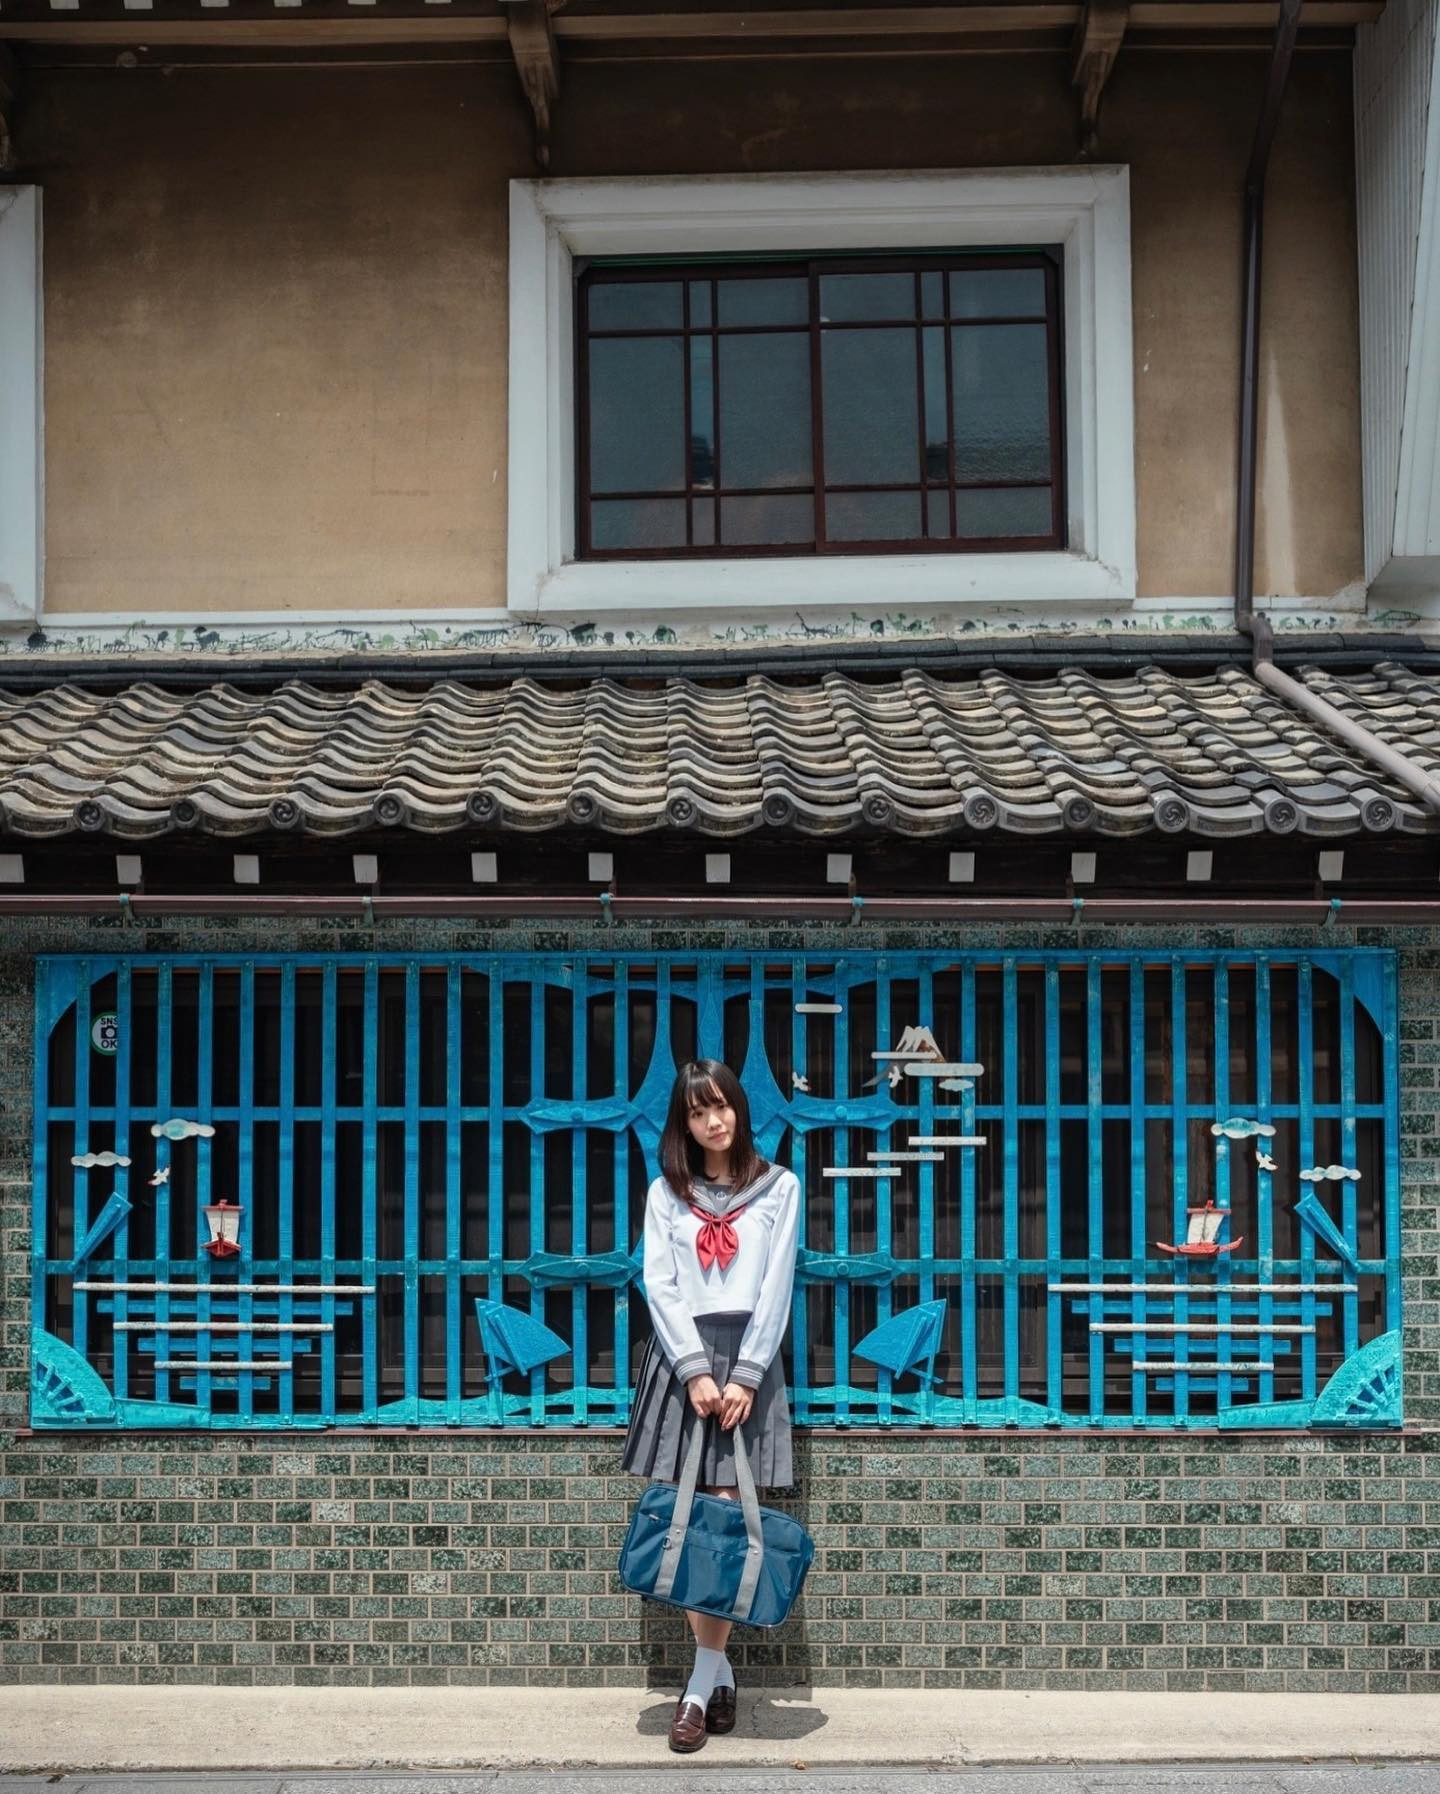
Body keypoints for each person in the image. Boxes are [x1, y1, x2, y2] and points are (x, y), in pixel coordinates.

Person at [621, 1057, 801, 1755]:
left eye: (720, 1106)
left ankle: (696, 1689)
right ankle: (715, 1677)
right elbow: (659, 1283)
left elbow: (777, 1284)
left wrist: (746, 1375)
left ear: (739, 1110)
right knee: (687, 1521)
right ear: (684, 1123)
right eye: (697, 1112)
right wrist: (694, 1370)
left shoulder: (778, 1187)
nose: (713, 1122)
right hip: (682, 1359)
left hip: (750, 1359)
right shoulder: (666, 1194)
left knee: (723, 1519)